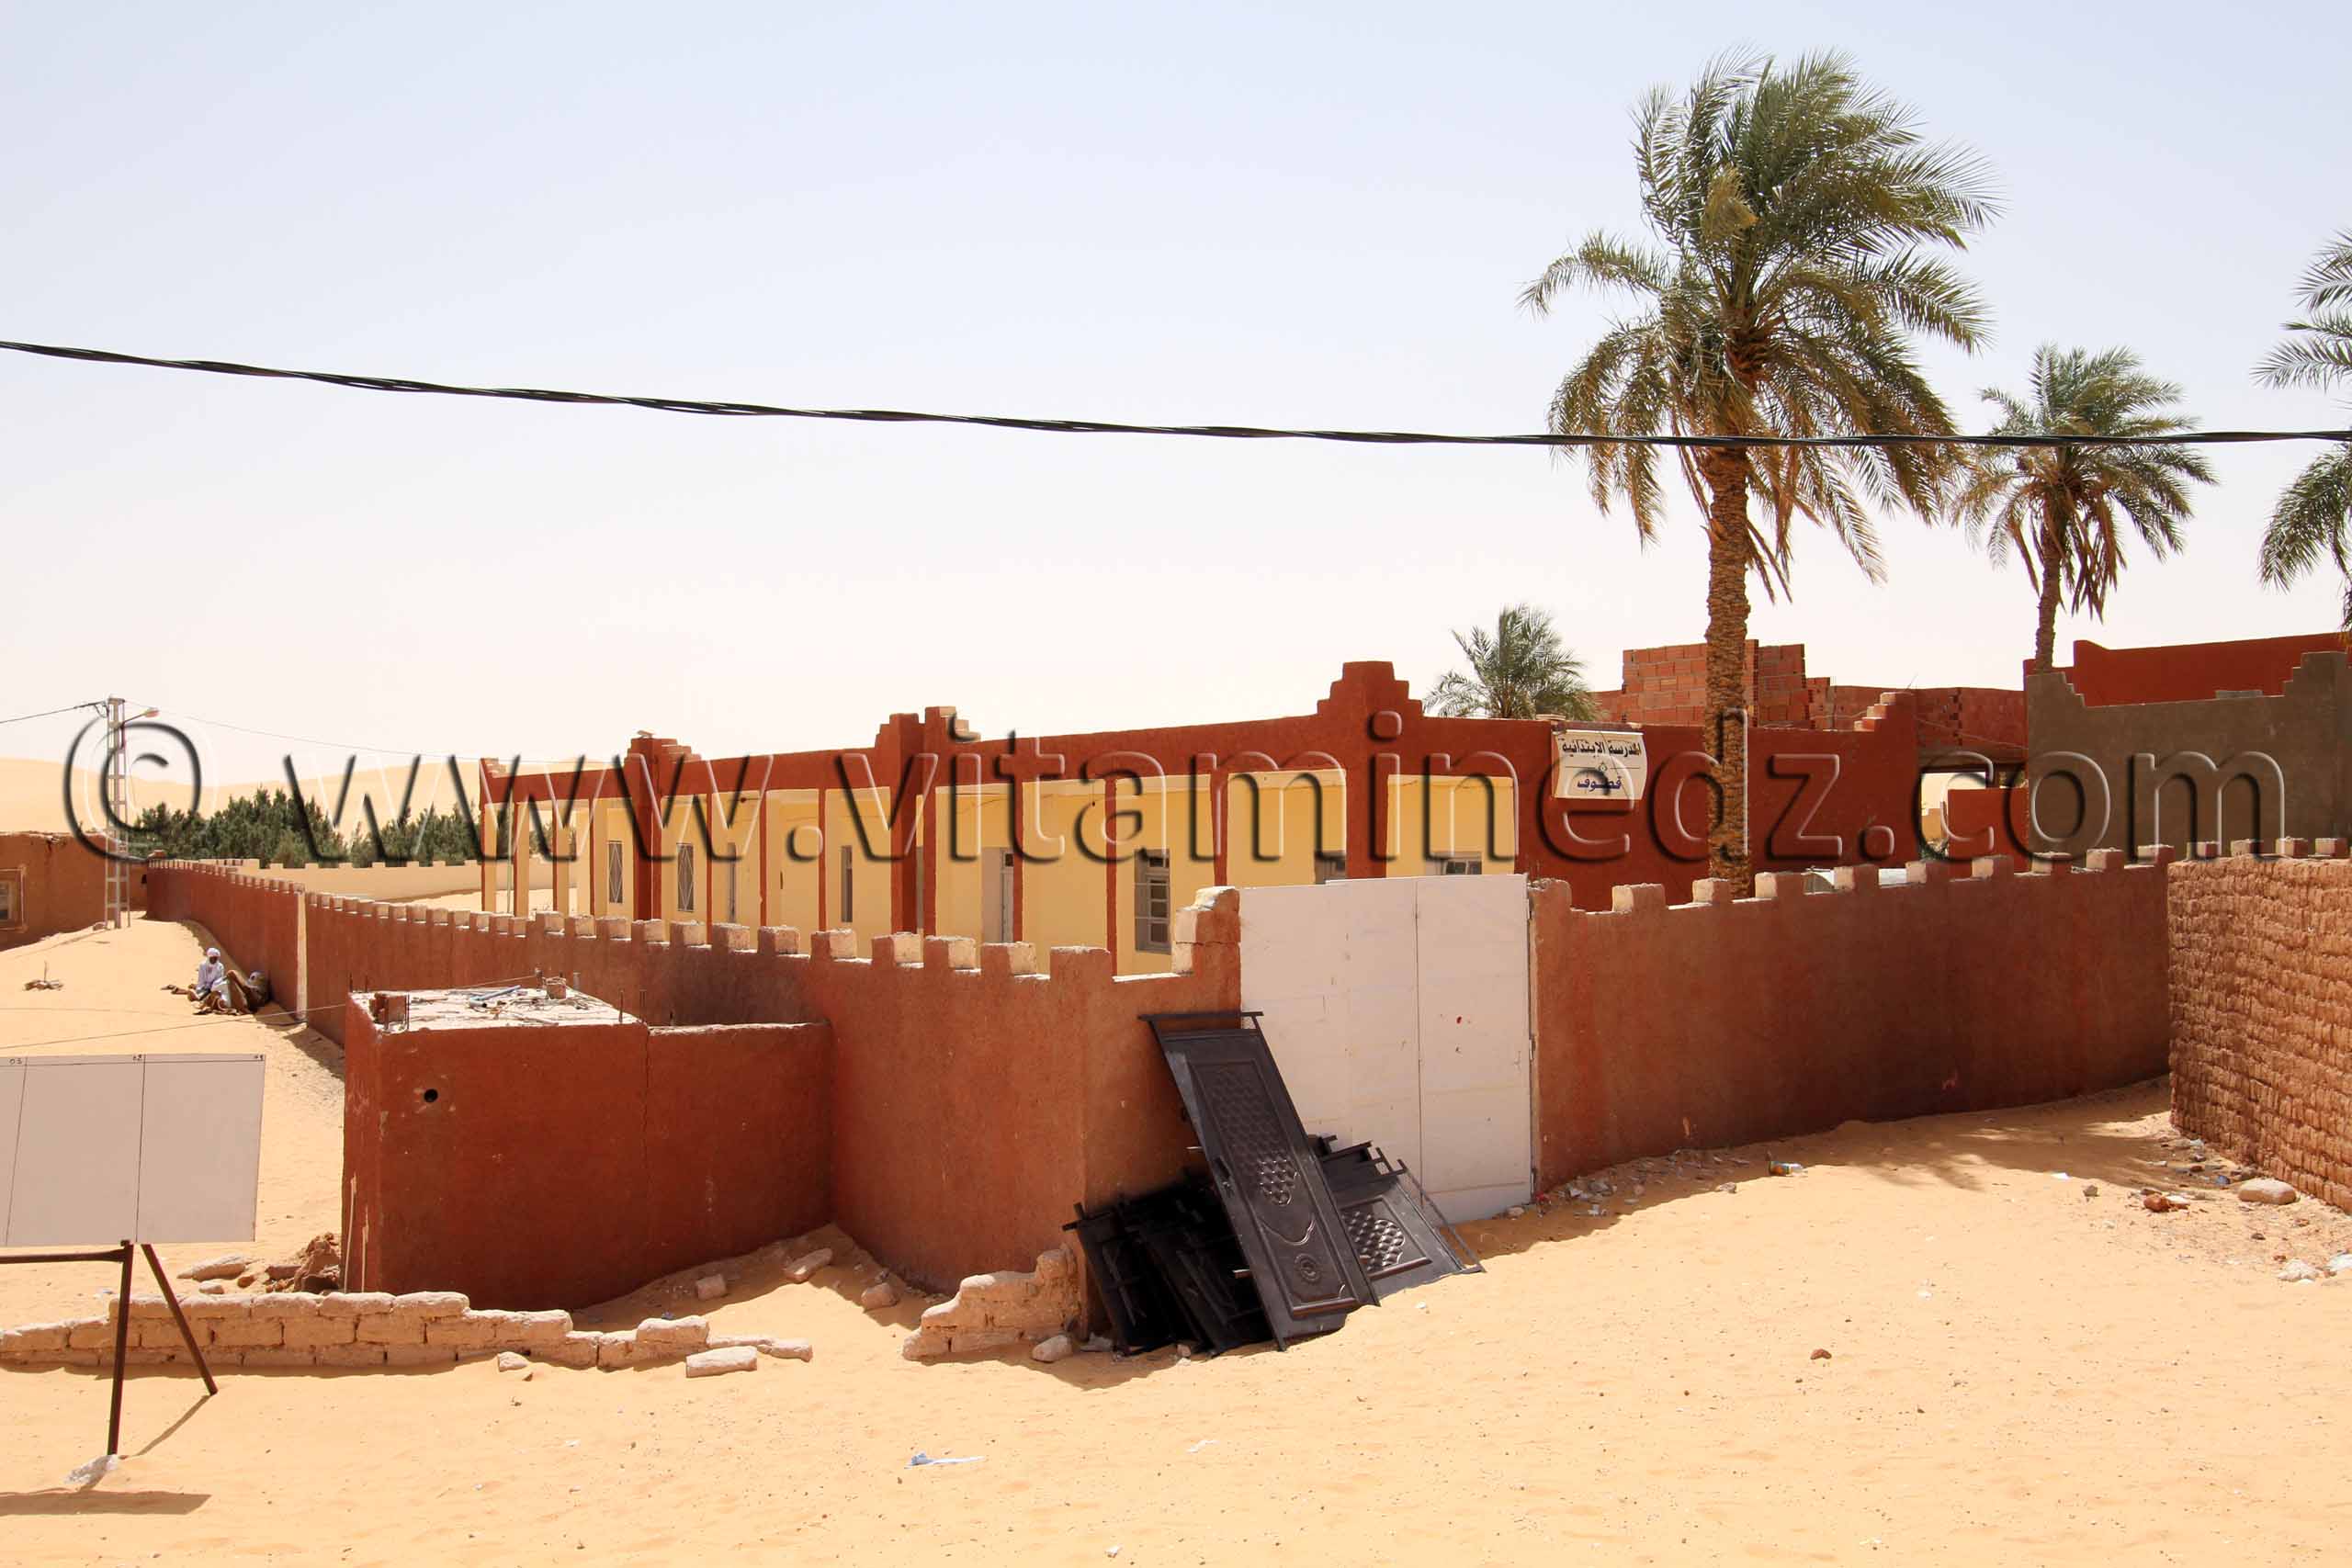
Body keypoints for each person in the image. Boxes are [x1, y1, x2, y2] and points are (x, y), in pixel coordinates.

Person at [192, 948, 227, 1012]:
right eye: (212, 958)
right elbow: (201, 979)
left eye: (216, 958)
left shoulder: (220, 966)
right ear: (209, 957)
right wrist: (202, 989)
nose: (214, 960)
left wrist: (213, 989)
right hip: (204, 987)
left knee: (221, 998)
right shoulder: (203, 965)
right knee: (200, 996)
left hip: (215, 987)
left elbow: (219, 980)